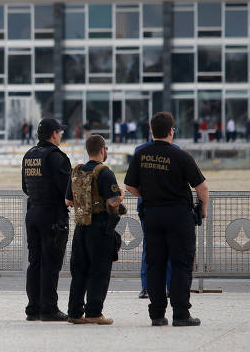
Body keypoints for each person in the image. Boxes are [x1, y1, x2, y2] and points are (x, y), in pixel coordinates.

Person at [124, 112, 209, 327]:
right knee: (181, 264)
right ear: (171, 131)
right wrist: (203, 209)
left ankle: (157, 314)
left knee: (155, 264)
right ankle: (181, 314)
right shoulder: (181, 156)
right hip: (178, 216)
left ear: (152, 130)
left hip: (152, 215)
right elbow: (202, 188)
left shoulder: (141, 155)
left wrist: (148, 195)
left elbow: (129, 186)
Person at [64, 134, 124, 325]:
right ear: (102, 150)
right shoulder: (104, 172)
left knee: (79, 271)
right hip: (99, 227)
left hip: (81, 226)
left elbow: (68, 201)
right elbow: (112, 201)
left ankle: (74, 312)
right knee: (99, 270)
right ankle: (94, 312)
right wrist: (121, 195)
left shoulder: (77, 171)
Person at [22, 118, 72, 321]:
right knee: (51, 263)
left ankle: (33, 307)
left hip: (33, 212)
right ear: (53, 134)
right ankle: (49, 309)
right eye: (60, 133)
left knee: (35, 262)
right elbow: (67, 189)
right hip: (52, 215)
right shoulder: (56, 157)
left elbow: (25, 187)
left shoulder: (29, 155)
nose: (61, 136)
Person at [134, 136, 175, 299]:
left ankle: (147, 287)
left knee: (149, 247)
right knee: (169, 247)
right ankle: (169, 287)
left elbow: (132, 182)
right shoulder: (175, 151)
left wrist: (145, 195)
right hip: (168, 206)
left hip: (148, 206)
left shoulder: (140, 151)